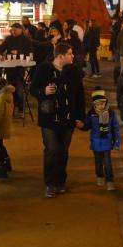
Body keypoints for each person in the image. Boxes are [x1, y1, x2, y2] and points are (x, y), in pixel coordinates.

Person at [30, 43, 85, 198]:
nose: (73, 56)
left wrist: (80, 117)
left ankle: (61, 181)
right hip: (49, 119)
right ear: (61, 56)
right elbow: (33, 89)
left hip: (68, 118)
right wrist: (43, 91)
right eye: (70, 53)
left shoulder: (74, 71)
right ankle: (50, 183)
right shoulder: (44, 69)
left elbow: (80, 95)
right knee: (52, 150)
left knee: (63, 151)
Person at [80, 88, 120, 191]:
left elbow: (115, 128)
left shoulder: (110, 114)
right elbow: (86, 125)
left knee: (107, 162)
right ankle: (100, 176)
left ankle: (110, 181)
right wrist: (81, 125)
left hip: (107, 143)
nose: (101, 105)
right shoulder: (91, 114)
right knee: (98, 162)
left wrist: (116, 142)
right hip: (96, 143)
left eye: (103, 103)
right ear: (94, 104)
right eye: (98, 104)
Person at [0, 23, 33, 117]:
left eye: (15, 30)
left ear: (20, 30)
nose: (13, 31)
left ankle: (21, 109)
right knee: (10, 89)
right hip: (9, 68)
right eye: (12, 30)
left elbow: (30, 52)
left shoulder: (26, 40)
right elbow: (2, 47)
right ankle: (11, 108)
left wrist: (19, 52)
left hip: (20, 68)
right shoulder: (9, 39)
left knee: (19, 89)